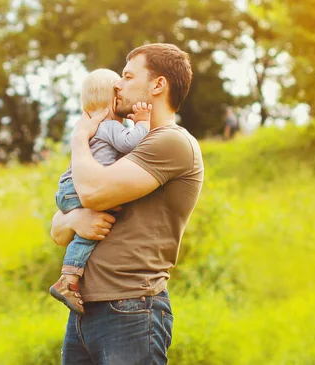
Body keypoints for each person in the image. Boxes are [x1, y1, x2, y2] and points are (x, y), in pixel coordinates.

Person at [50, 43, 204, 364]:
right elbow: (57, 229)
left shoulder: (171, 142)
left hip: (130, 309)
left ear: (157, 85)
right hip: (85, 310)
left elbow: (92, 194)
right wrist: (74, 221)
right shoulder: (122, 142)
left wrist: (80, 137)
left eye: (127, 76)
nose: (117, 85)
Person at [49, 68, 152, 315]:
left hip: (67, 187)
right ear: (114, 99)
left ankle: (69, 277)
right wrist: (143, 122)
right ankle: (68, 278)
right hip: (78, 189)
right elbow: (129, 142)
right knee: (90, 231)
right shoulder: (108, 126)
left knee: (89, 226)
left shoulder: (91, 126)